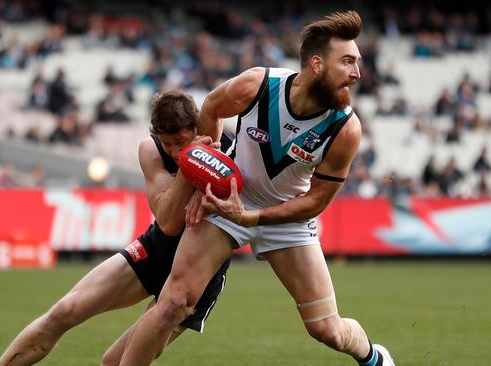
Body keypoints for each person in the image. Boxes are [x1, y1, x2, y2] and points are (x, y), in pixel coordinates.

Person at [118, 11, 395, 366]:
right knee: (173, 303)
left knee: (327, 330)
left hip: (287, 216)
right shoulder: (258, 86)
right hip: (229, 200)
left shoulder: (346, 129)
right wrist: (209, 176)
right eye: (347, 62)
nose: (357, 73)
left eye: (357, 63)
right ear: (316, 65)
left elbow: (316, 201)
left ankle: (373, 356)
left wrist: (252, 218)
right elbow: (212, 108)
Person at [0, 90, 230, 366]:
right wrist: (192, 162)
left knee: (114, 362)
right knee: (64, 311)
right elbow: (168, 222)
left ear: (196, 126)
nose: (175, 151)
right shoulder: (150, 149)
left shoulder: (229, 148)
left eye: (181, 141)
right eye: (168, 144)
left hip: (200, 269)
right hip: (157, 250)